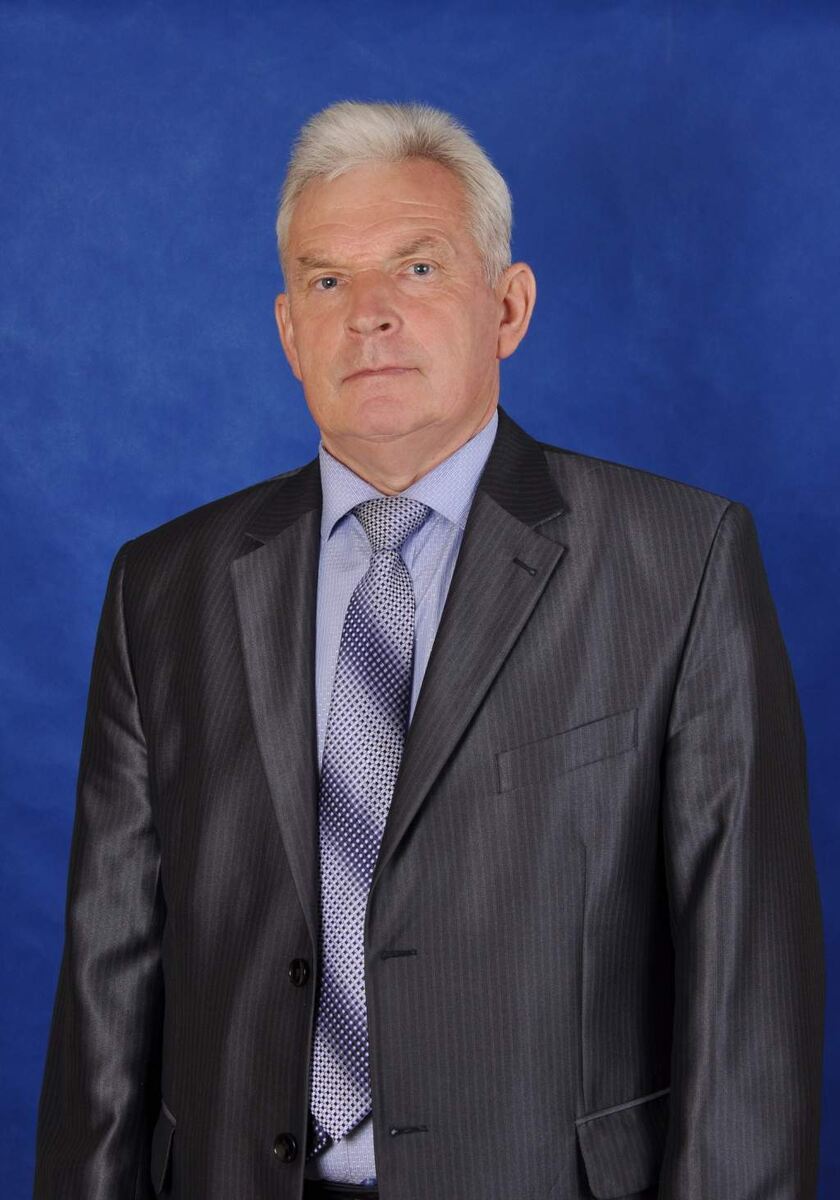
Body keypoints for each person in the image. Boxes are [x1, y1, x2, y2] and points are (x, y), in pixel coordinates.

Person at [33, 100, 825, 1200]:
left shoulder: (680, 563)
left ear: (508, 306)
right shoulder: (162, 586)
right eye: (327, 280)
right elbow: (107, 979)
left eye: (416, 268)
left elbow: (748, 995)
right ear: (288, 331)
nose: (368, 314)